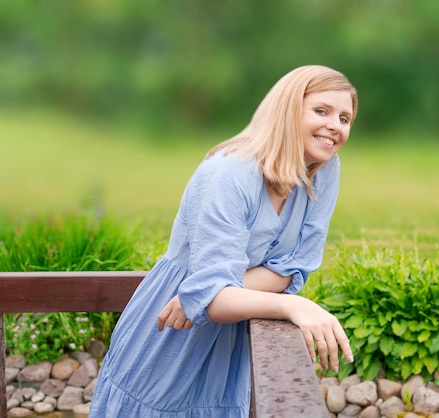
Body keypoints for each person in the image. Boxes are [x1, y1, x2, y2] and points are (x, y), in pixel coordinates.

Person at [88, 65, 358, 417]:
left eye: (345, 118)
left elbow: (293, 270)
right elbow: (220, 299)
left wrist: (206, 293)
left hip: (224, 330)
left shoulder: (323, 172)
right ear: (287, 110)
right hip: (168, 338)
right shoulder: (229, 173)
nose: (335, 126)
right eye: (321, 111)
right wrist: (295, 307)